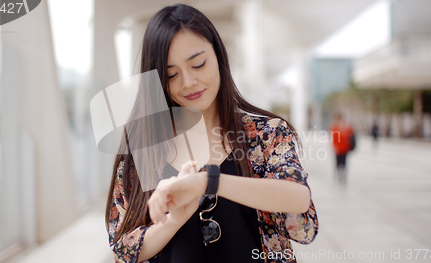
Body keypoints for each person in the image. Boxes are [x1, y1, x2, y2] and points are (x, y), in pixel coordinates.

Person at [105, 4, 318, 263]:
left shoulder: (265, 134)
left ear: (219, 55)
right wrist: (172, 221)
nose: (188, 82)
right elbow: (123, 251)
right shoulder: (143, 146)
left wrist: (209, 182)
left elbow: (297, 198)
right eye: (172, 74)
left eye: (198, 64)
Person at [330, 112, 354, 186]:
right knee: (338, 163)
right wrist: (334, 147)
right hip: (338, 149)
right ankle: (338, 177)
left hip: (344, 149)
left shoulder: (346, 127)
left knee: (344, 163)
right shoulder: (335, 127)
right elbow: (333, 138)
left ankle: (343, 177)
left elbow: (350, 135)